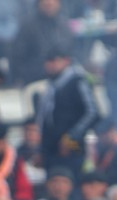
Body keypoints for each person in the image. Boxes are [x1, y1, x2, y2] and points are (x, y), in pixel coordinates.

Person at [37, 47, 100, 182]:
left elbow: (93, 112)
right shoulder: (50, 84)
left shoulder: (78, 81)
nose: (50, 65)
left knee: (72, 182)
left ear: (66, 61)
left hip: (72, 146)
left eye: (54, 60)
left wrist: (71, 137)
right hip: (50, 147)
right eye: (47, 61)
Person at [9, 0, 73, 85]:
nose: (50, 3)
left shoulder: (63, 25)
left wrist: (63, 63)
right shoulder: (28, 26)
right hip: (37, 81)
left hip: (63, 78)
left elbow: (71, 51)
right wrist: (45, 67)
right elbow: (17, 59)